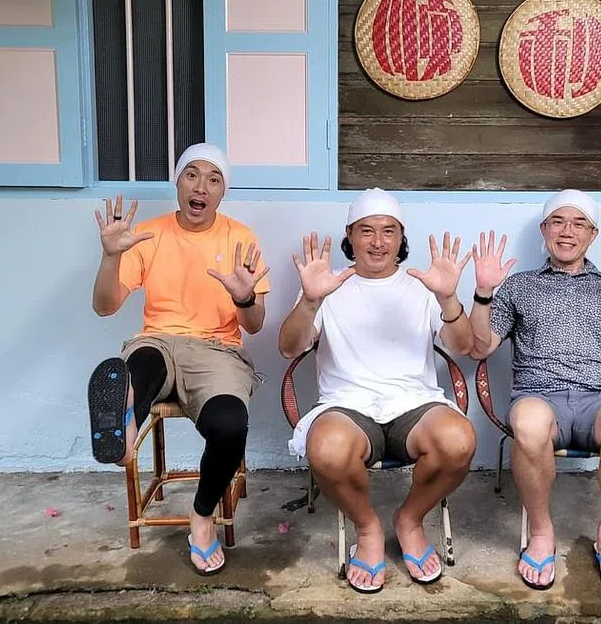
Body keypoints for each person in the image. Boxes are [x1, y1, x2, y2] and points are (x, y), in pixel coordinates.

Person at [468, 189, 601, 592]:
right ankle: (541, 532)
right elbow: (480, 347)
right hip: (538, 395)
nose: (567, 231)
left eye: (579, 224)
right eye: (558, 222)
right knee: (529, 424)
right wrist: (483, 293)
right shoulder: (519, 285)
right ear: (544, 230)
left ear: (592, 235)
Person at [278, 188, 477, 594]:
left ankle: (410, 520)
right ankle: (367, 529)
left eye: (388, 231)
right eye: (366, 231)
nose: (378, 241)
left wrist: (448, 298)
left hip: (414, 404)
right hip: (347, 406)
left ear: (401, 238)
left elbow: (462, 346)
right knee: (327, 448)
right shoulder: (327, 285)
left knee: (458, 441)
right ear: (350, 236)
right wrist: (310, 302)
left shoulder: (423, 286)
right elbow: (288, 348)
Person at [85, 143, 270, 576]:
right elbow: (104, 306)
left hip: (218, 351)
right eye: (192, 175)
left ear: (222, 192)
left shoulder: (240, 237)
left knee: (230, 426)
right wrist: (111, 256)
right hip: (159, 342)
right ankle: (125, 426)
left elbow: (256, 324)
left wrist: (244, 298)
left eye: (213, 179)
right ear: (178, 182)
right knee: (142, 363)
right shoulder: (148, 235)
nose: (200, 187)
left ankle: (202, 516)